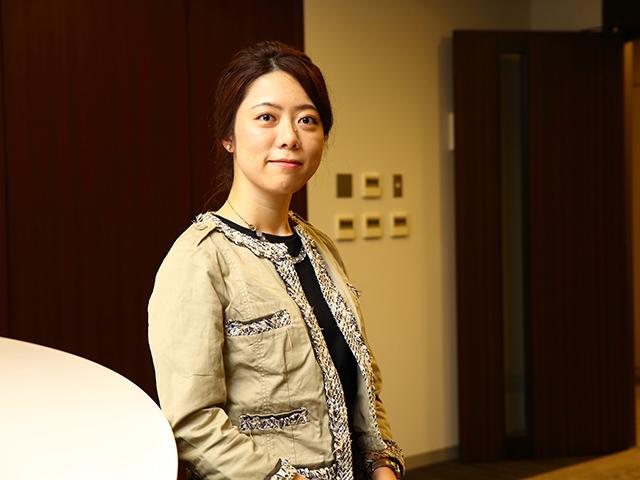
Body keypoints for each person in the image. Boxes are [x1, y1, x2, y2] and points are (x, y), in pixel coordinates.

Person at [148, 41, 404, 480]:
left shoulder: (319, 247)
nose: (289, 137)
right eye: (266, 117)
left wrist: (382, 464)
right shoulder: (200, 259)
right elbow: (192, 423)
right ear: (228, 137)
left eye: (307, 120)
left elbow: (361, 380)